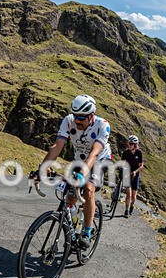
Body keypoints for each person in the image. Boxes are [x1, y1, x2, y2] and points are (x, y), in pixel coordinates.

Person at [36, 94, 112, 249]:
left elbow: (94, 153)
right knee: (70, 197)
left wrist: (83, 174)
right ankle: (74, 226)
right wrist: (41, 170)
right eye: (75, 116)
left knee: (87, 188)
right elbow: (57, 146)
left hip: (99, 160)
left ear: (91, 116)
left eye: (82, 118)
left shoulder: (102, 125)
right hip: (80, 160)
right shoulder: (68, 121)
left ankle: (87, 232)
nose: (77, 121)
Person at [121, 135, 144, 217]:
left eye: (131, 143)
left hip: (136, 175)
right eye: (128, 143)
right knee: (129, 194)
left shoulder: (139, 152)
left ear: (135, 145)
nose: (129, 145)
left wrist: (135, 172)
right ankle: (126, 210)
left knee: (134, 196)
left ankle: (131, 206)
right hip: (127, 175)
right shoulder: (125, 152)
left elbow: (141, 165)